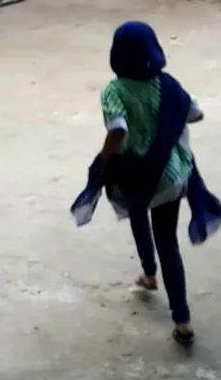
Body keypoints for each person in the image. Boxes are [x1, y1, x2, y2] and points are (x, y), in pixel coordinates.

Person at [71, 20, 221, 347]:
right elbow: (195, 113)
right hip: (173, 177)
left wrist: (103, 160)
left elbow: (118, 129)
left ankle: (149, 274)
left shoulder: (114, 90)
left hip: (137, 178)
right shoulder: (167, 85)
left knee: (137, 214)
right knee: (169, 242)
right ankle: (182, 321)